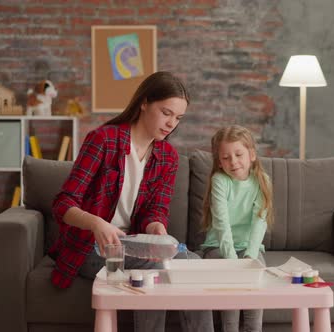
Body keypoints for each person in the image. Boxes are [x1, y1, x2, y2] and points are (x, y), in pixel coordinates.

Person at [50, 71, 214, 332]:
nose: (172, 123)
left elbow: (155, 210)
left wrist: (156, 228)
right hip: (90, 246)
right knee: (156, 266)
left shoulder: (167, 156)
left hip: (134, 245)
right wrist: (97, 224)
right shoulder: (103, 140)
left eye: (178, 118)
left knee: (192, 266)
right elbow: (63, 203)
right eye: (166, 112)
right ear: (144, 103)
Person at [200, 125, 274, 332]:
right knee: (230, 276)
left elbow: (260, 222)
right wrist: (232, 261)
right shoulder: (220, 181)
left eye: (238, 154)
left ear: (251, 154)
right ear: (219, 162)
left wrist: (250, 256)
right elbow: (221, 224)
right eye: (226, 157)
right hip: (218, 247)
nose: (233, 162)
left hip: (250, 248)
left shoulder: (262, 181)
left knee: (256, 277)